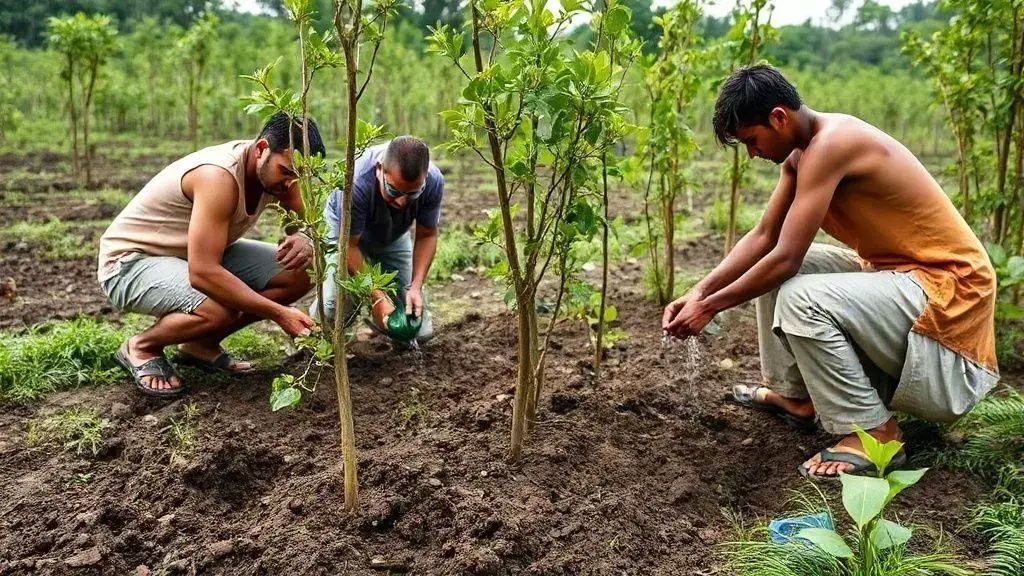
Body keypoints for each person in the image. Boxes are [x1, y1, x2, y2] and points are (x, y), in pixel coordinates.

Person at [662, 65, 999, 480]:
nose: (752, 154)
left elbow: (784, 256)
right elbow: (766, 236)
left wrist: (712, 307)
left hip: (950, 288)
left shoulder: (833, 144)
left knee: (799, 294)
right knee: (790, 270)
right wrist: (699, 291)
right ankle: (799, 398)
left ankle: (877, 434)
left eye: (751, 140)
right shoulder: (801, 154)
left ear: (779, 117)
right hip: (901, 276)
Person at [97, 112, 320, 398]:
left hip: (188, 256)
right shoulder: (219, 177)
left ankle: (201, 344)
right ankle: (142, 346)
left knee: (300, 273)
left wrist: (304, 237)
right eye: (287, 172)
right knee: (219, 306)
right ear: (262, 149)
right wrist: (279, 313)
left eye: (300, 175)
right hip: (130, 263)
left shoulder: (281, 175)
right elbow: (203, 273)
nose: (292, 183)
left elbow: (306, 223)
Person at [311, 136, 443, 345]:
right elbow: (349, 247)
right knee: (334, 308)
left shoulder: (433, 181)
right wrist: (377, 296)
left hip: (391, 236)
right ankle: (320, 341)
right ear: (379, 169)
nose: (401, 201)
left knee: (415, 330)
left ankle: (380, 324)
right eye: (393, 190)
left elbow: (427, 234)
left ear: (425, 177)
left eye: (412, 194)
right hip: (345, 238)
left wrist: (415, 286)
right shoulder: (354, 182)